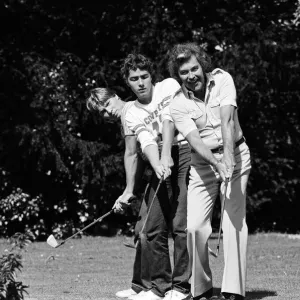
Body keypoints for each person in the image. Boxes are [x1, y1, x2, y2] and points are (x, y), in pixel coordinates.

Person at [168, 43, 251, 300]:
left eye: (194, 68)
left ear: (202, 64)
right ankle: (202, 289)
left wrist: (228, 159)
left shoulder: (222, 79)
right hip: (203, 165)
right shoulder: (178, 104)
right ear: (177, 75)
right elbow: (194, 141)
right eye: (184, 72)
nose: (191, 75)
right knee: (194, 227)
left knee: (233, 222)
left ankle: (233, 291)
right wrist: (217, 164)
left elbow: (227, 120)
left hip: (236, 155)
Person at [122, 53, 191, 300]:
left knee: (181, 224)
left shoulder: (169, 86)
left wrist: (166, 155)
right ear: (127, 82)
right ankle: (160, 288)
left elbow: (169, 119)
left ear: (152, 76)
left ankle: (181, 287)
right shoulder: (131, 112)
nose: (140, 82)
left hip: (184, 152)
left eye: (144, 76)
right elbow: (145, 140)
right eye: (134, 79)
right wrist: (158, 161)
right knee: (151, 227)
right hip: (160, 158)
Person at [86, 87, 153, 298]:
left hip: (172, 167)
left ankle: (158, 287)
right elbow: (141, 158)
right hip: (157, 173)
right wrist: (130, 191)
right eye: (102, 112)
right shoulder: (128, 114)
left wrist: (128, 190)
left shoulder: (129, 111)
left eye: (107, 105)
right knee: (142, 230)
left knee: (149, 230)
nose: (107, 113)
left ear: (115, 96)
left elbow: (131, 154)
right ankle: (140, 286)